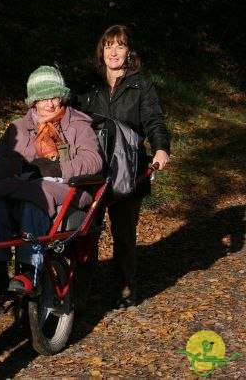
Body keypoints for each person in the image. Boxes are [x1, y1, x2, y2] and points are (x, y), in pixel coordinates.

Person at [74, 24, 170, 309]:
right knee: (86, 231)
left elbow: (153, 119)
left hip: (131, 168)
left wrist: (161, 148)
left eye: (120, 46)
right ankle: (80, 292)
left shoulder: (141, 83)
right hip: (93, 167)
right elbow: (70, 117)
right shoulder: (87, 83)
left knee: (124, 232)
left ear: (129, 52)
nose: (113, 52)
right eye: (108, 45)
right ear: (101, 50)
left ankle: (126, 287)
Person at [0, 65, 103, 293]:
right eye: (43, 97)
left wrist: (56, 168)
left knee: (36, 193)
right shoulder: (17, 128)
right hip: (23, 185)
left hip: (67, 190)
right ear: (33, 101)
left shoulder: (77, 124)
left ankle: (31, 270)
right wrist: (22, 166)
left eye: (55, 97)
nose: (50, 104)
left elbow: (93, 161)